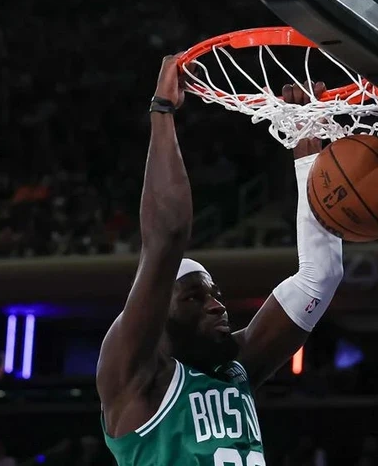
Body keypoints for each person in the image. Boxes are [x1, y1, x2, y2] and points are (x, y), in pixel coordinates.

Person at [95, 54, 343, 465]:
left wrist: (307, 159)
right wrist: (162, 111)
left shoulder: (235, 366)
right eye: (194, 297)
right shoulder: (133, 378)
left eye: (215, 294)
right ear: (158, 317)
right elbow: (167, 237)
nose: (216, 305)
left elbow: (322, 275)